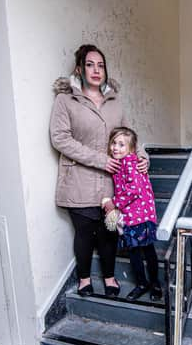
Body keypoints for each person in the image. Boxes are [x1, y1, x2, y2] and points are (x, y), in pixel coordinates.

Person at [50, 44, 149, 297]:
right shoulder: (65, 101)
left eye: (101, 65)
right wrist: (99, 159)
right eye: (90, 64)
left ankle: (109, 277)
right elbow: (60, 139)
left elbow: (130, 137)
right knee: (84, 233)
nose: (96, 70)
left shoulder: (115, 102)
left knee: (108, 231)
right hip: (78, 181)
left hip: (111, 182)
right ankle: (84, 279)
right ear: (80, 69)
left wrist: (142, 157)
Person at [104, 126, 162, 301]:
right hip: (130, 217)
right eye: (114, 143)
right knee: (134, 252)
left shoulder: (130, 162)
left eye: (121, 145)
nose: (116, 148)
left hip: (142, 216)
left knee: (148, 250)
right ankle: (142, 283)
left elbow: (134, 190)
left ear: (130, 149)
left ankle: (155, 284)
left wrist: (113, 203)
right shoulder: (119, 164)